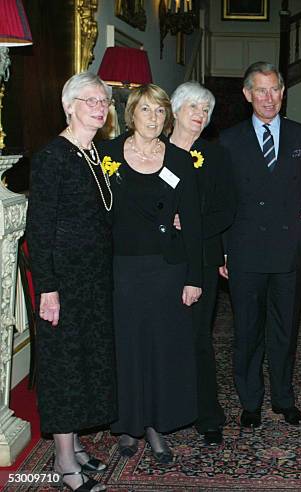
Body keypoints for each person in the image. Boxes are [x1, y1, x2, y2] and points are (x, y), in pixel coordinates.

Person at [98, 84, 203, 463]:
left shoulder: (178, 160)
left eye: (160, 112)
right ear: (131, 115)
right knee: (127, 348)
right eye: (146, 110)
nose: (154, 119)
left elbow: (192, 221)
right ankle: (128, 424)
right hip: (121, 267)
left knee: (161, 349)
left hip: (166, 269)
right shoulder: (107, 155)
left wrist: (195, 278)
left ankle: (156, 426)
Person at [27, 72, 116, 492]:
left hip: (92, 280)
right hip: (62, 280)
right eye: (89, 100)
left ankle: (76, 444)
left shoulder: (92, 153)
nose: (99, 107)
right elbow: (40, 229)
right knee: (63, 366)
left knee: (84, 361)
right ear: (68, 106)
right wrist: (48, 288)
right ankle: (64, 462)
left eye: (103, 101)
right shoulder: (52, 157)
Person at [219, 61, 301, 428]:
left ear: (283, 92)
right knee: (246, 331)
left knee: (285, 331)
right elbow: (223, 201)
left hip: (289, 253)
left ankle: (284, 399)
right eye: (260, 90)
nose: (268, 97)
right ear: (247, 95)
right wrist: (223, 251)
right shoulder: (229, 140)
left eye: (274, 89)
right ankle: (250, 402)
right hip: (245, 252)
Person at [169, 81, 234, 446]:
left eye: (205, 110)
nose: (199, 114)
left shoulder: (216, 155)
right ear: (175, 110)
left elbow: (227, 208)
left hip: (203, 258)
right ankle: (163, 409)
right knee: (162, 337)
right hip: (158, 260)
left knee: (198, 338)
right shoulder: (152, 151)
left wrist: (194, 225)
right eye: (193, 106)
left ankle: (208, 414)